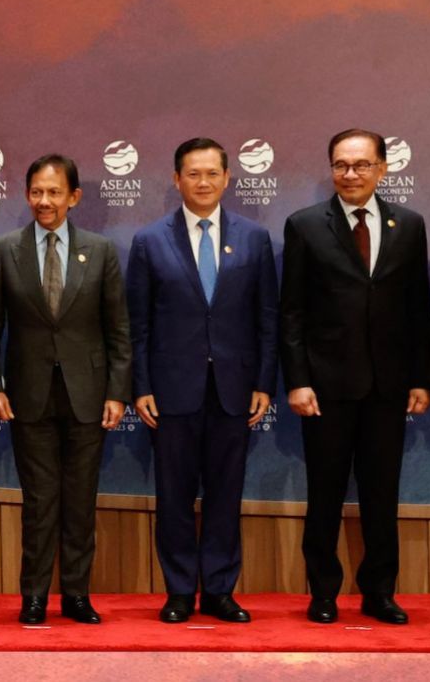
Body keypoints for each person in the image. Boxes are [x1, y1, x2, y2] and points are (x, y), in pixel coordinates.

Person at [280, 129, 430, 625]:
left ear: (383, 169)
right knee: (324, 495)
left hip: (388, 389)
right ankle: (323, 592)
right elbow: (293, 312)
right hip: (324, 389)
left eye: (362, 165)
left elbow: (417, 310)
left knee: (381, 497)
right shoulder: (304, 225)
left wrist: (420, 378)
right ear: (331, 169)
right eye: (341, 165)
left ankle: (379, 592)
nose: (351, 173)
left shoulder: (408, 225)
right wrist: (297, 379)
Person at [127, 137, 277, 624]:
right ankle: (177, 591)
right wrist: (141, 385)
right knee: (172, 496)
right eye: (193, 173)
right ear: (176, 180)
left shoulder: (254, 239)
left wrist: (264, 382)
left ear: (228, 177)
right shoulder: (150, 240)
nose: (204, 182)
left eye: (213, 173)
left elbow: (266, 319)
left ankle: (218, 590)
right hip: (171, 391)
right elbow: (139, 324)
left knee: (225, 494)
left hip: (235, 389)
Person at [0, 154, 129, 626]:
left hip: (89, 394)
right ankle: (34, 597)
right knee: (40, 502)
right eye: (36, 193)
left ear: (74, 197)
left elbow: (118, 331)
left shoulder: (101, 250)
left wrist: (117, 392)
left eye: (54, 193)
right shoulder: (5, 249)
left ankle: (77, 596)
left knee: (80, 500)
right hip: (28, 394)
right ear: (27, 195)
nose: (44, 201)